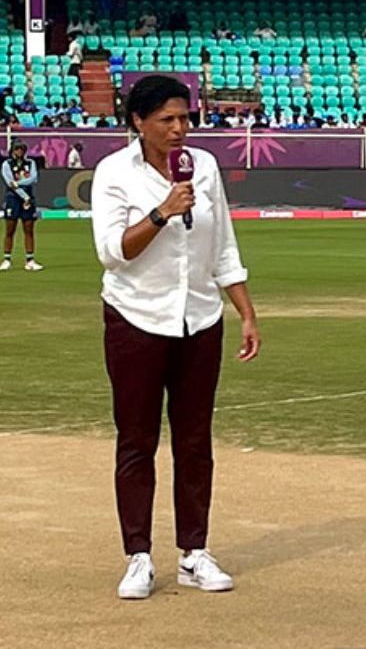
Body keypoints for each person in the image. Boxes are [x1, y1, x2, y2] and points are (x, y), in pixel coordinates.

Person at [89, 75, 261, 601]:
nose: (180, 128)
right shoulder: (114, 173)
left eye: (185, 118)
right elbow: (114, 252)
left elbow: (222, 245)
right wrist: (163, 211)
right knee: (137, 441)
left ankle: (195, 552)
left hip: (199, 320)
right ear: (138, 123)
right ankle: (138, 556)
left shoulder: (203, 167)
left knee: (194, 441)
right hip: (135, 318)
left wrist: (246, 313)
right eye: (167, 119)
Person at [2, 140, 43, 271]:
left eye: (21, 150)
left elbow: (34, 178)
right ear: (12, 151)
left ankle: (30, 260)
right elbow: (10, 183)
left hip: (28, 199)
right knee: (10, 229)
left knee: (29, 229)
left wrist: (19, 184)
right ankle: (7, 259)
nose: (19, 152)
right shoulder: (7, 164)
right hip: (13, 198)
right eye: (17, 149)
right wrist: (24, 195)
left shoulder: (30, 163)